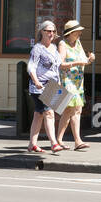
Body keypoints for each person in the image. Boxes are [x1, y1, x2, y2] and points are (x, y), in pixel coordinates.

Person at [56, 20, 93, 150]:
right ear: (70, 33)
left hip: (78, 82)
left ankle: (65, 140)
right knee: (72, 110)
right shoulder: (62, 44)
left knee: (73, 111)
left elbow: (83, 60)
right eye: (77, 32)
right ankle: (72, 140)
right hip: (67, 80)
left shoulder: (77, 43)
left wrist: (89, 59)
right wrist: (76, 63)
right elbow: (60, 64)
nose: (79, 34)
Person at [27, 19, 64, 154]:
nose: (51, 34)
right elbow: (31, 67)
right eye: (48, 31)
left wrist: (59, 82)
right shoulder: (37, 49)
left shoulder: (54, 48)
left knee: (39, 114)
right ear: (41, 32)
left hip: (53, 86)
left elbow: (57, 67)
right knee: (49, 112)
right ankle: (54, 143)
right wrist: (36, 81)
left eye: (53, 31)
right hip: (40, 86)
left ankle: (32, 144)